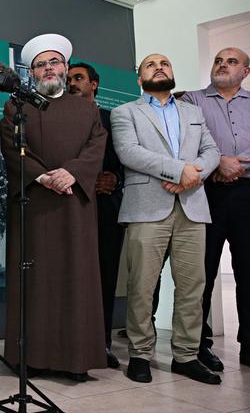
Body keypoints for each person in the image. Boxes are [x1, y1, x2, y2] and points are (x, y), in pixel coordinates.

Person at [0, 33, 107, 381]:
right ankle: (30, 358)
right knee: (34, 281)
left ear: (65, 67)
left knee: (76, 278)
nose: (48, 69)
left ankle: (74, 360)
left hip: (74, 204)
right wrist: (43, 177)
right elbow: (11, 146)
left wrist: (71, 173)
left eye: (54, 62)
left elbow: (96, 146)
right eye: (40, 65)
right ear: (32, 72)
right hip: (33, 203)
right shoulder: (17, 106)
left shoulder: (87, 107)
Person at [111, 53, 221, 385]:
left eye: (166, 63)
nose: (160, 67)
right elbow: (129, 152)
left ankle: (186, 356)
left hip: (192, 205)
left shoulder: (194, 112)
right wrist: (179, 170)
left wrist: (193, 177)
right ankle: (140, 354)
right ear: (139, 78)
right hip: (146, 207)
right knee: (142, 286)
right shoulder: (124, 112)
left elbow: (212, 151)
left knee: (192, 287)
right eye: (151, 64)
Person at [181, 47, 250, 371]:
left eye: (231, 61)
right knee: (201, 273)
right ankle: (198, 345)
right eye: (218, 60)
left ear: (245, 71)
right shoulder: (191, 101)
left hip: (247, 194)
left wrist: (237, 163)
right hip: (205, 193)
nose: (223, 65)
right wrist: (218, 161)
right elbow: (185, 141)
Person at [68, 62, 124, 368]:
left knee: (104, 276)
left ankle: (101, 343)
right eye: (68, 79)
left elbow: (125, 161)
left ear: (95, 84)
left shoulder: (113, 120)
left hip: (104, 208)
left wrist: (116, 180)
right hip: (69, 207)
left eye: (78, 78)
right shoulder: (57, 119)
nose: (72, 84)